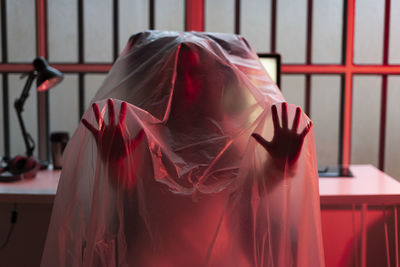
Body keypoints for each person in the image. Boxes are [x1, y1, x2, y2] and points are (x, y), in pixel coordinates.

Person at [41, 31, 324, 267]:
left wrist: (279, 167)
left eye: (197, 73)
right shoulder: (141, 138)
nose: (185, 84)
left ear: (219, 81)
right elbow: (132, 210)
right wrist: (115, 167)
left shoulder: (233, 143)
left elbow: (245, 204)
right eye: (176, 74)